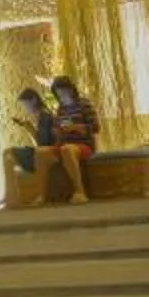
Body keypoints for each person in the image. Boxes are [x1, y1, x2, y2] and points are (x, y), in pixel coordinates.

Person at [43, 75, 98, 203]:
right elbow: (60, 127)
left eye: (64, 90)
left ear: (71, 89)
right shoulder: (61, 108)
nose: (62, 94)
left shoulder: (84, 104)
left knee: (67, 150)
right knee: (41, 153)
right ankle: (42, 195)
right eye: (59, 92)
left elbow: (95, 127)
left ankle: (79, 191)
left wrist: (77, 127)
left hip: (83, 144)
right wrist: (57, 131)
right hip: (64, 142)